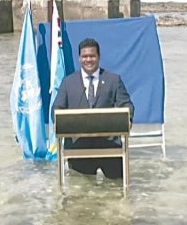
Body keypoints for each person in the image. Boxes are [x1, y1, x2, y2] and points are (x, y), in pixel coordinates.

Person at [53, 37, 134, 179]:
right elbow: (57, 107)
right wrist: (56, 121)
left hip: (109, 146)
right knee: (83, 191)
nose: (88, 60)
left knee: (116, 190)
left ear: (99, 57)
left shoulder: (113, 80)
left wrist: (129, 119)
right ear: (79, 58)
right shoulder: (68, 82)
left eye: (92, 56)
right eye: (85, 56)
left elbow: (126, 104)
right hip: (78, 147)